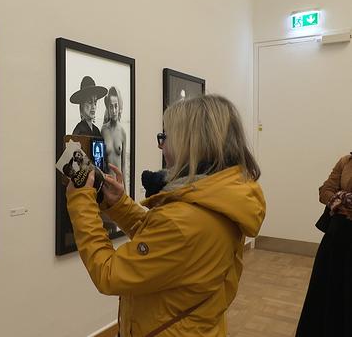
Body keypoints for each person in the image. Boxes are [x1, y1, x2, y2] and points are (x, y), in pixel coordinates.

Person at [66, 95, 265, 336]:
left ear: (189, 143)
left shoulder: (186, 219)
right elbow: (164, 245)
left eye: (165, 137)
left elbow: (109, 273)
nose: (161, 146)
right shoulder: (224, 197)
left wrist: (80, 201)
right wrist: (119, 205)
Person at [296, 153, 352, 336]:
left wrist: (340, 199)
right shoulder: (346, 161)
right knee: (328, 292)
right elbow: (325, 190)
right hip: (337, 238)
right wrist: (340, 199)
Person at [101, 87, 127, 176]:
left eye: (116, 106)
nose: (114, 111)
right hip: (106, 184)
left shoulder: (122, 132)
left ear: (119, 106)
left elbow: (123, 167)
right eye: (111, 107)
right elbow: (100, 161)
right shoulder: (103, 131)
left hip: (118, 184)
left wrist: (125, 189)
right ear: (108, 108)